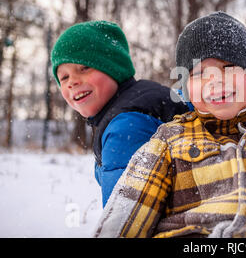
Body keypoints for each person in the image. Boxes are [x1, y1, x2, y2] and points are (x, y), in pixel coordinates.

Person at [93, 12, 246, 238]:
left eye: (228, 67)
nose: (215, 80)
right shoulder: (167, 142)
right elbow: (124, 222)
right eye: (198, 73)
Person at [51, 20, 190, 207]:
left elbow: (124, 215)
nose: (72, 82)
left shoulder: (124, 126)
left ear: (113, 68)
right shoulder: (144, 97)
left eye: (84, 68)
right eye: (64, 77)